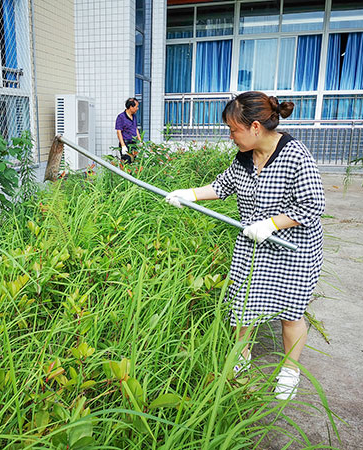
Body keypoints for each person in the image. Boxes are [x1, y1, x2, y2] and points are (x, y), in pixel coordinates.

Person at [165, 91, 325, 401]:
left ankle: (289, 372)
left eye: (233, 129)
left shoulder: (295, 155)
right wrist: (189, 194)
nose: (230, 136)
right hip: (254, 246)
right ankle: (241, 360)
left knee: (291, 313)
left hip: (294, 249)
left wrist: (272, 223)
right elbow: (221, 186)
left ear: (254, 127)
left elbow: (313, 205)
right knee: (244, 307)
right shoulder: (244, 158)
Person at [115, 98, 142, 163]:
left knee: (134, 163)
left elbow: (135, 129)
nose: (137, 108)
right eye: (136, 107)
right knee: (127, 163)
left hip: (134, 144)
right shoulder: (121, 117)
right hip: (126, 143)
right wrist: (123, 145)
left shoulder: (134, 116)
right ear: (131, 107)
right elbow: (119, 132)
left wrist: (140, 141)